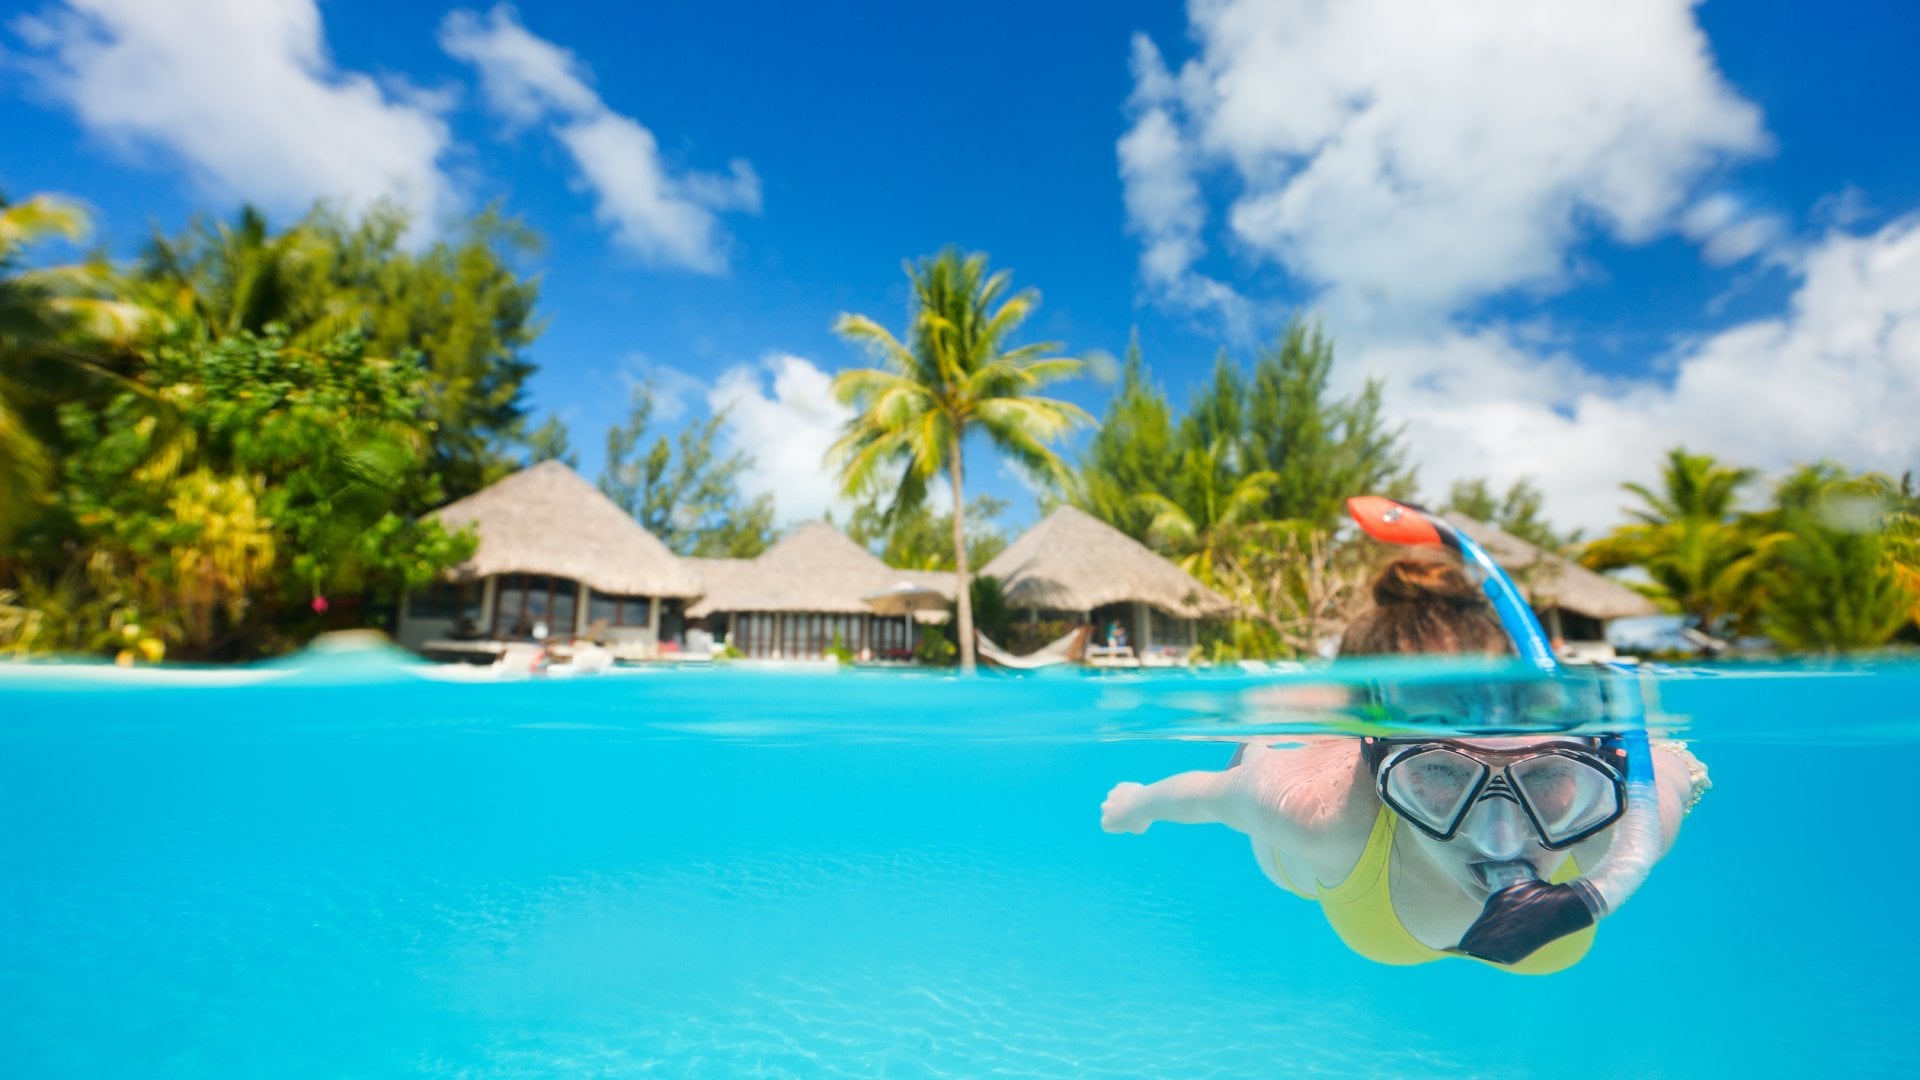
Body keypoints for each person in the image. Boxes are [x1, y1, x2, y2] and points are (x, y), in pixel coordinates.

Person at [1100, 557, 1708, 974]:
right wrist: (1139, 803)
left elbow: (1680, 767)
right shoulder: (1321, 815)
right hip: (1339, 864)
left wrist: (1677, 769)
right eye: (1440, 774)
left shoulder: (1624, 820)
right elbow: (1211, 794)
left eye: (1546, 774)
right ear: (1376, 755)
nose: (1500, 839)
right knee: (1270, 778)